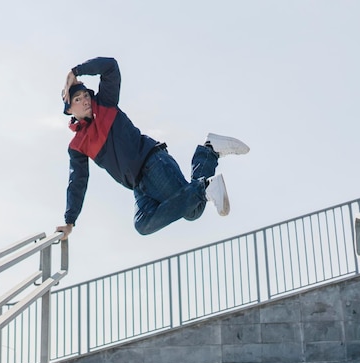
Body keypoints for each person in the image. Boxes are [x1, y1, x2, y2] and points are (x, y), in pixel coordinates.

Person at [56, 57, 248, 240]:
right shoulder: (78, 146)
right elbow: (77, 182)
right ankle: (209, 154)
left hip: (152, 163)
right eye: (78, 100)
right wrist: (69, 222)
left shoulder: (104, 103)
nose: (86, 100)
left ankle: (208, 162)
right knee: (143, 223)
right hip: (139, 186)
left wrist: (75, 71)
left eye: (86, 95)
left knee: (194, 210)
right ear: (69, 110)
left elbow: (110, 66)